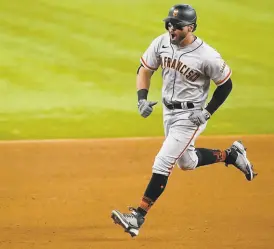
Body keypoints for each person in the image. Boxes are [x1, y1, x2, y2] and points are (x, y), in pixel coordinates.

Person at [111, 3, 257, 237]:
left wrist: (207, 112)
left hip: (191, 116)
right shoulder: (162, 42)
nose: (172, 28)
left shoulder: (207, 55)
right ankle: (231, 155)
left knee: (163, 162)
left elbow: (226, 84)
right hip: (168, 113)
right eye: (169, 24)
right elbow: (145, 69)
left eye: (177, 26)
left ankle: (138, 216)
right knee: (186, 162)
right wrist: (142, 99)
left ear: (191, 27)